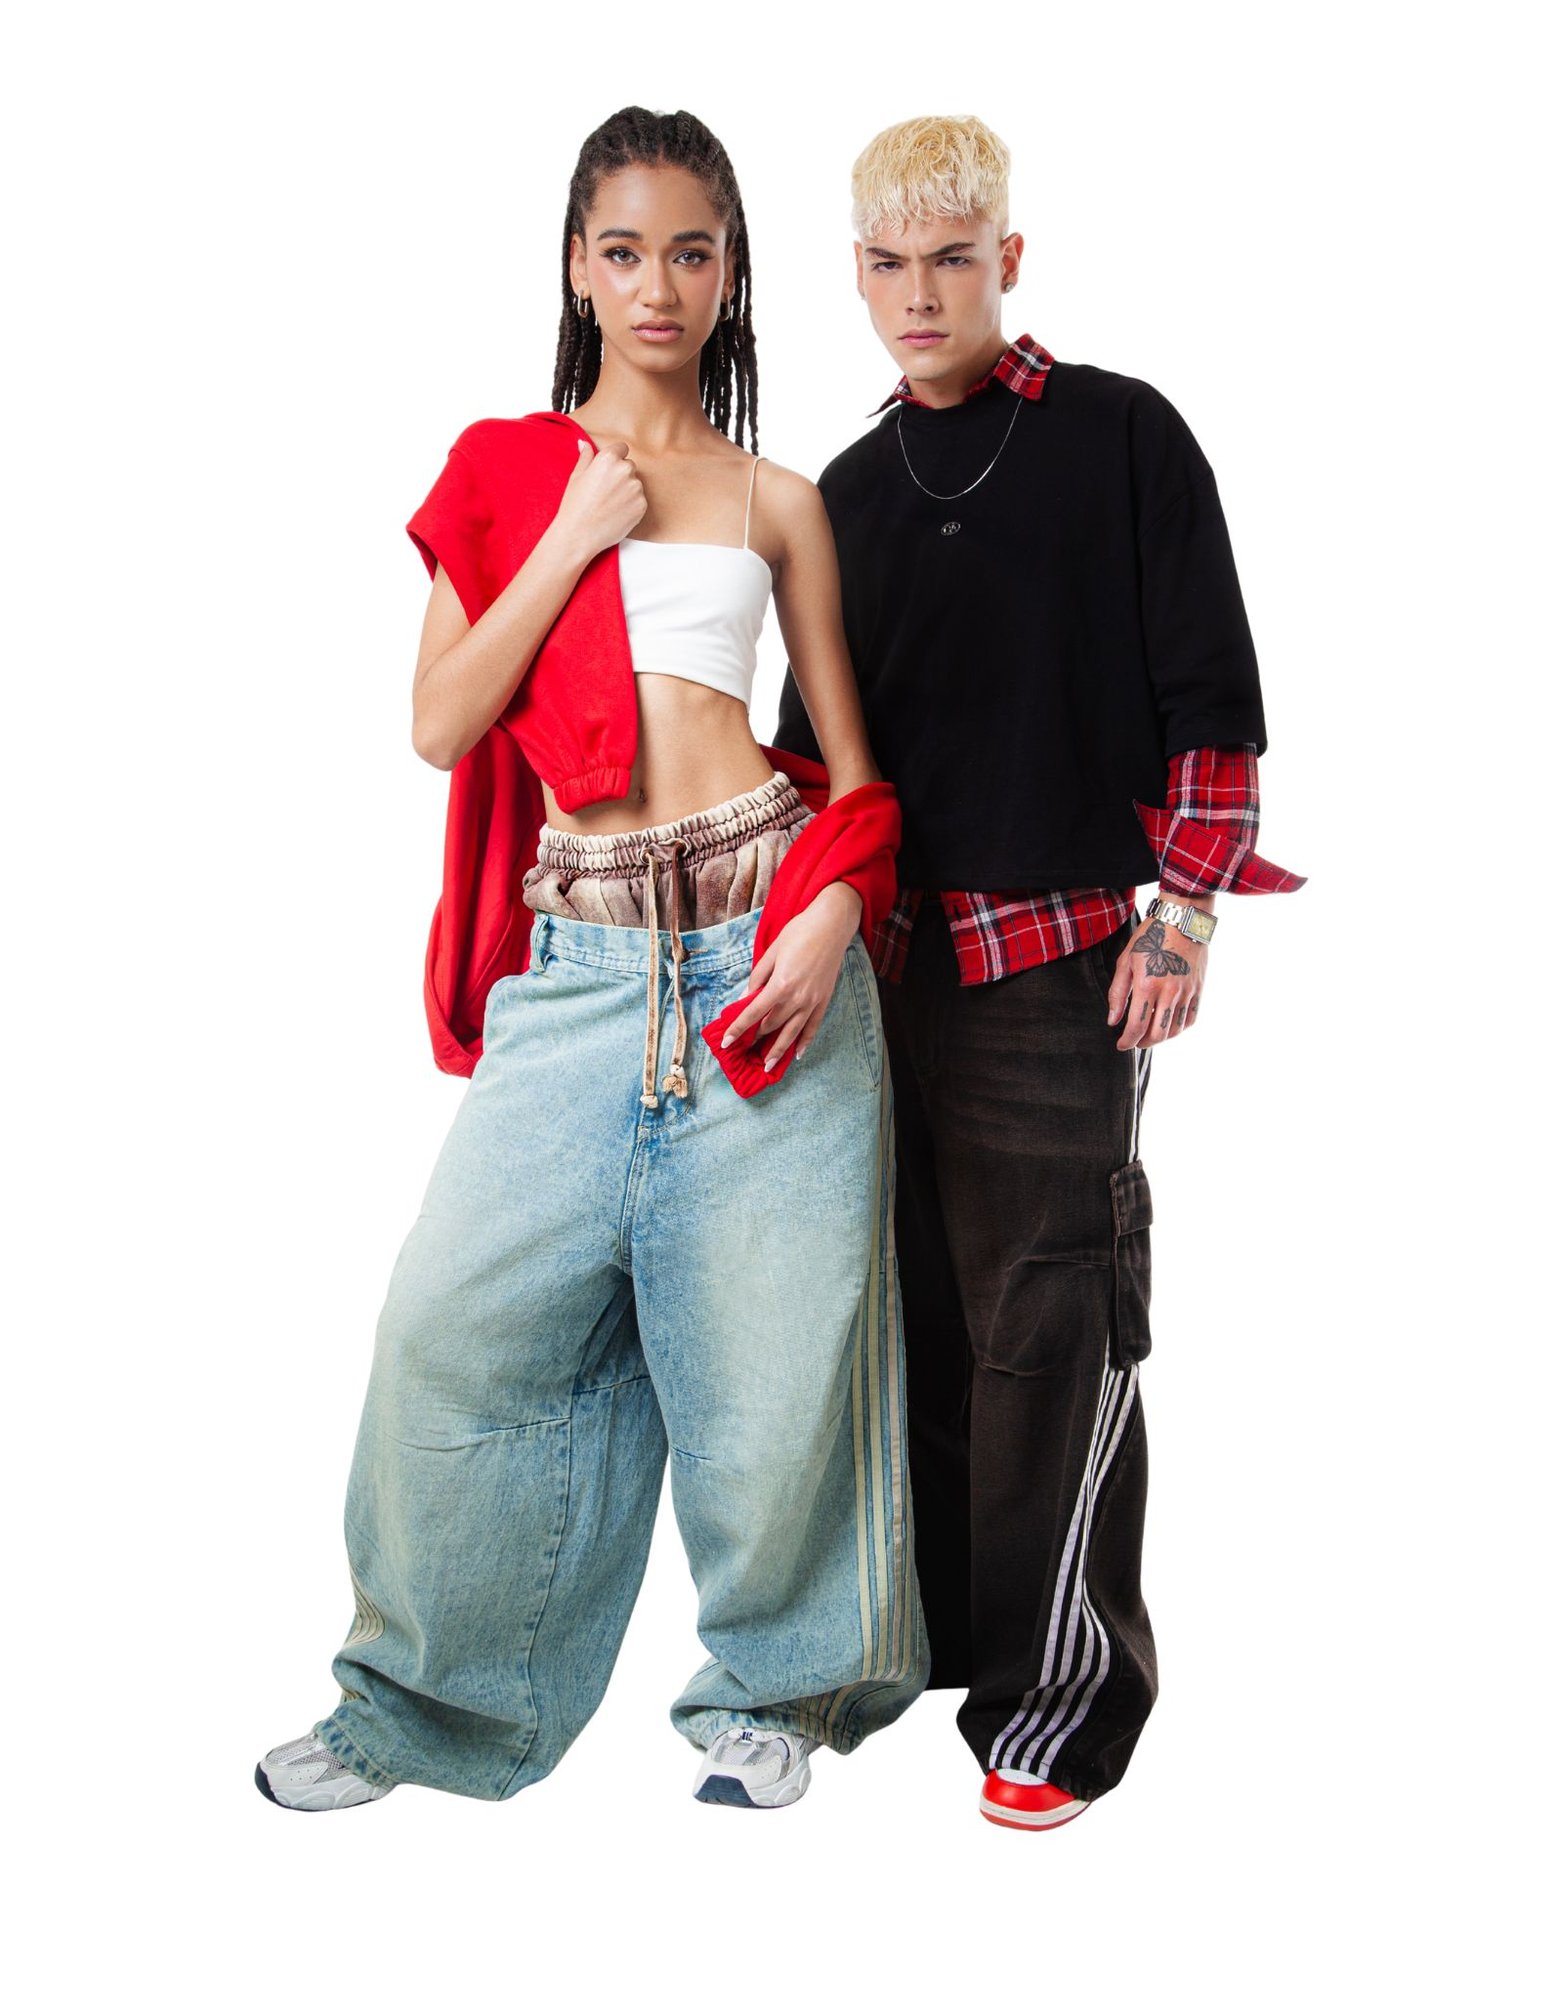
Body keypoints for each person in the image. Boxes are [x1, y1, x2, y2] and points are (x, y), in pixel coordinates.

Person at [257, 105, 926, 1815]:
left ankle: (778, 1698)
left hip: (763, 951)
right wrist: (573, 530)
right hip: (578, 968)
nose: (657, 286)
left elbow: (852, 773)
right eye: (624, 251)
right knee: (450, 1331)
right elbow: (438, 723)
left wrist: (835, 908)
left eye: (691, 253)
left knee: (778, 1365)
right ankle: (418, 1709)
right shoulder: (503, 471)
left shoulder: (779, 500)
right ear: (575, 265)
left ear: (731, 275)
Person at [774, 113, 1304, 1831]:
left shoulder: (1120, 435)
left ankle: (1057, 1700)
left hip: (1061, 967)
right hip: (884, 979)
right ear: (857, 276)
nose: (920, 293)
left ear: (1008, 258)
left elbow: (1209, 692)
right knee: (907, 1326)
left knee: (1053, 1328)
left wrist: (1186, 913)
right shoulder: (844, 494)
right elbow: (815, 763)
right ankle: (921, 1646)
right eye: (888, 264)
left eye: (952, 258)